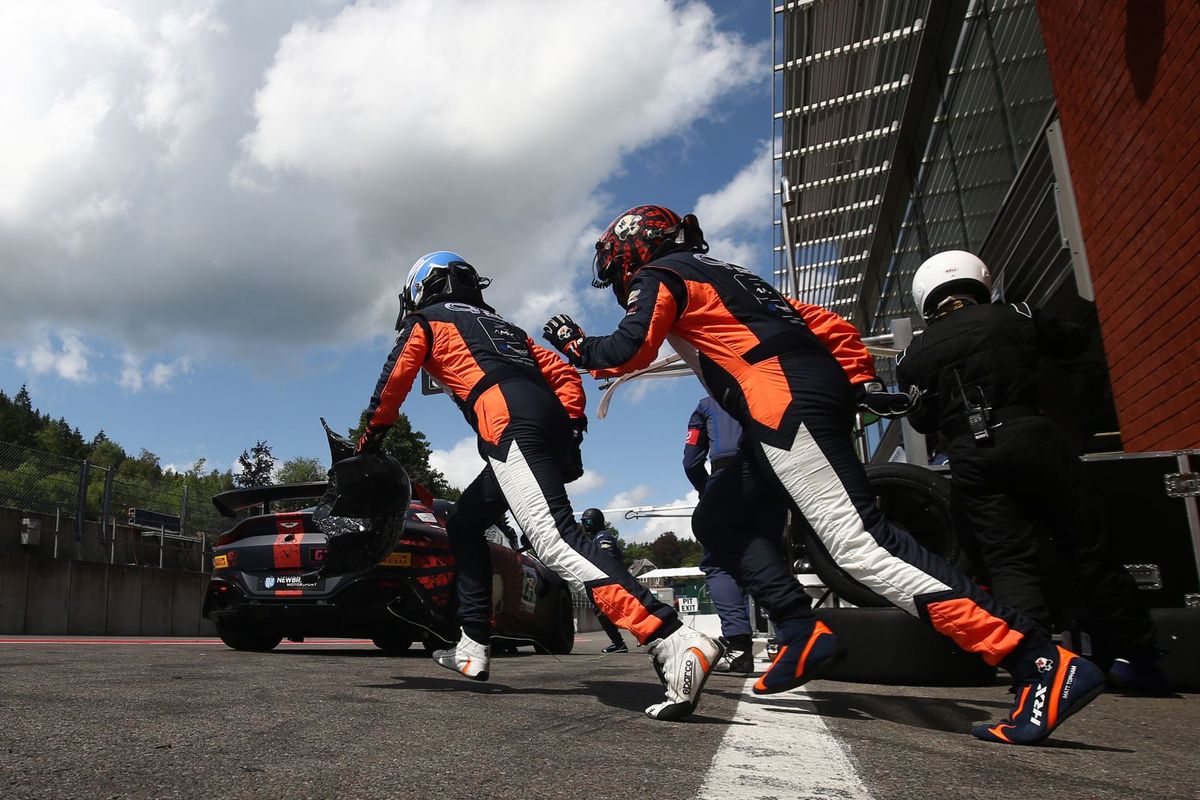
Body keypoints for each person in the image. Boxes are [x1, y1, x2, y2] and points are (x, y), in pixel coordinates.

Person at [543, 205, 1105, 745]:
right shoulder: (742, 279)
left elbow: (625, 349)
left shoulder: (660, 272)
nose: (618, 276)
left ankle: (1037, 660)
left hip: (781, 400)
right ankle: (798, 628)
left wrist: (572, 341)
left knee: (862, 547)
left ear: (633, 247)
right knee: (719, 519)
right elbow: (831, 326)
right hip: (800, 396)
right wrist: (858, 384)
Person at [358, 250, 722, 721]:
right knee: (467, 525)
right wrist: (570, 425)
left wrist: (369, 438)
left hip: (506, 419)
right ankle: (472, 644)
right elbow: (564, 374)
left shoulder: (427, 319)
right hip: (542, 417)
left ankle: (670, 635)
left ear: (424, 288)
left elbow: (394, 379)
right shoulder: (508, 329)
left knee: (553, 537)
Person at [895, 249, 1162, 691]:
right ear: (977, 281)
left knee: (1007, 561)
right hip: (1029, 433)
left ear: (926, 298)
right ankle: (1134, 658)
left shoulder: (911, 356)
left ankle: (1036, 669)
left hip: (970, 454)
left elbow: (921, 421)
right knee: (1087, 545)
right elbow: (1073, 340)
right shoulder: (1015, 315)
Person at [580, 508, 629, 653]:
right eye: (583, 522)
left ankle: (620, 643)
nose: (584, 525)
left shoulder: (603, 538)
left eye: (587, 521)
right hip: (609, 583)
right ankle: (619, 643)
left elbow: (608, 558)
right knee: (606, 612)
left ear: (596, 522)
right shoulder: (595, 538)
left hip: (611, 583)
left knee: (616, 613)